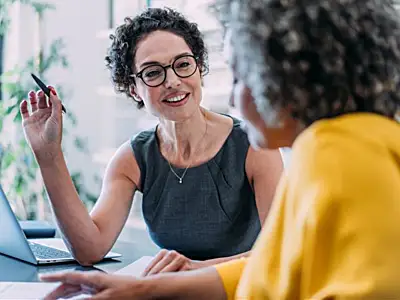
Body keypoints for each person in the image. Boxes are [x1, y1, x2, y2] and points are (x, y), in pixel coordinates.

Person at [40, 0, 400, 299]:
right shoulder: (336, 149)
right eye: (153, 73)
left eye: (242, 76)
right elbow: (276, 264)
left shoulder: (343, 159)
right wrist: (145, 289)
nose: (232, 97)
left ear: (287, 78)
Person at [19, 7, 283, 273]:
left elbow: (281, 252)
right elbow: (89, 249)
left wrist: (195, 270)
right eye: (153, 72)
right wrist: (48, 155)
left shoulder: (255, 145)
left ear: (199, 68)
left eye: (182, 64)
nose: (172, 81)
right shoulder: (132, 158)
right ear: (134, 89)